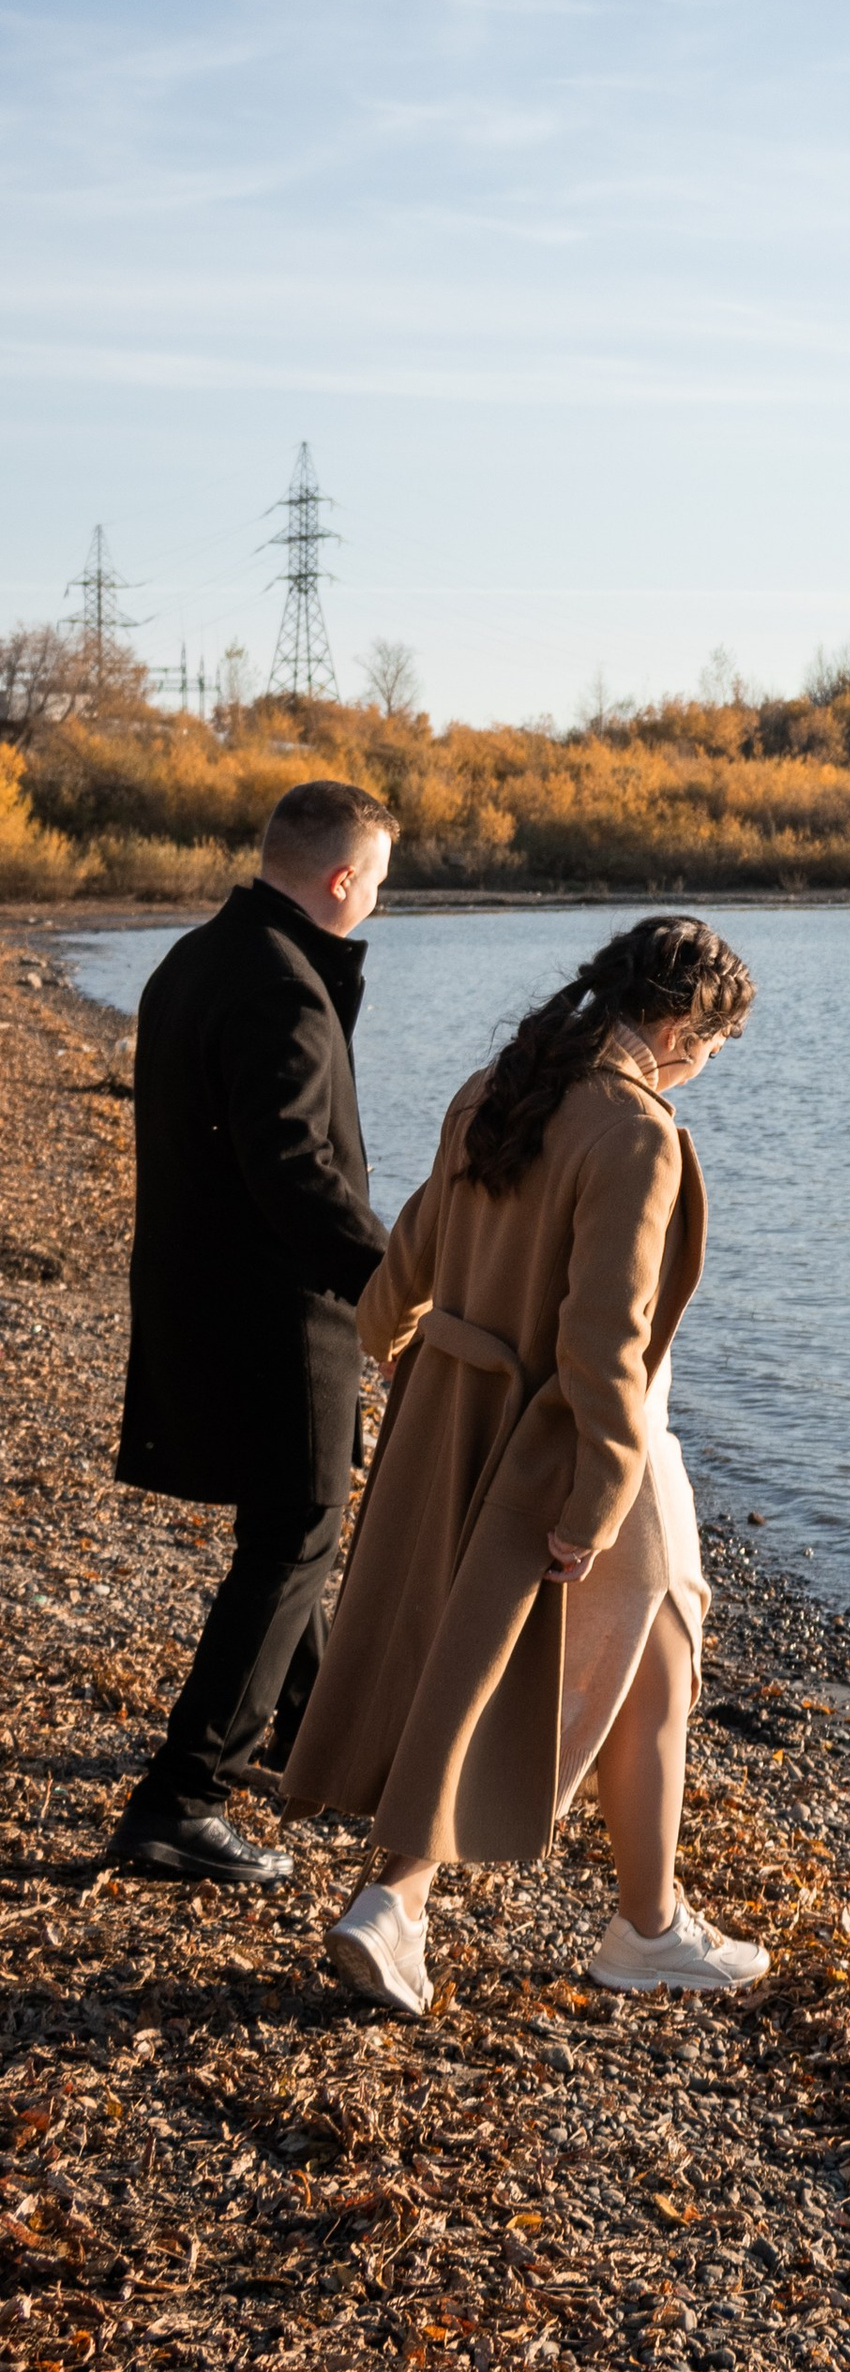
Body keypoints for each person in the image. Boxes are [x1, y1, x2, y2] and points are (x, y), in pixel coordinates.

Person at [282, 914, 767, 2016]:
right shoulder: (637, 1131)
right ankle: (410, 1901)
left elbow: (413, 1248)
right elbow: (608, 1340)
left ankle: (639, 1921)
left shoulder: (501, 1083)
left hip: (458, 1407)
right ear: (685, 1024)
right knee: (544, 1666)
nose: (707, 1069)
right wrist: (598, 1494)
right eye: (716, 1048)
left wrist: (401, 1343)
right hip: (584, 1440)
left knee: (618, 1659)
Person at [110, 779, 400, 1885]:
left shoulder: (195, 956)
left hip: (205, 1295)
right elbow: (294, 1172)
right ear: (340, 879)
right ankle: (181, 1797)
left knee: (291, 1530)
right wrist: (391, 1286)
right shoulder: (281, 988)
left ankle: (308, 1730)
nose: (378, 895)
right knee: (294, 1536)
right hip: (274, 1314)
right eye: (376, 878)